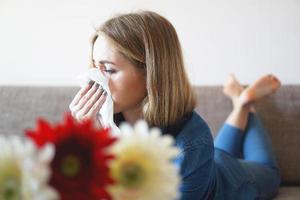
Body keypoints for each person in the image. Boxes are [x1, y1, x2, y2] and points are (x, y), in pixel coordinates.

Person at [69, 11, 281, 199]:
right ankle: (240, 103)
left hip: (234, 180)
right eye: (94, 67)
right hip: (211, 159)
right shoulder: (108, 121)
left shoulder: (191, 145)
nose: (94, 80)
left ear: (151, 73)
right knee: (217, 152)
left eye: (109, 70)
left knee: (270, 171)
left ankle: (244, 104)